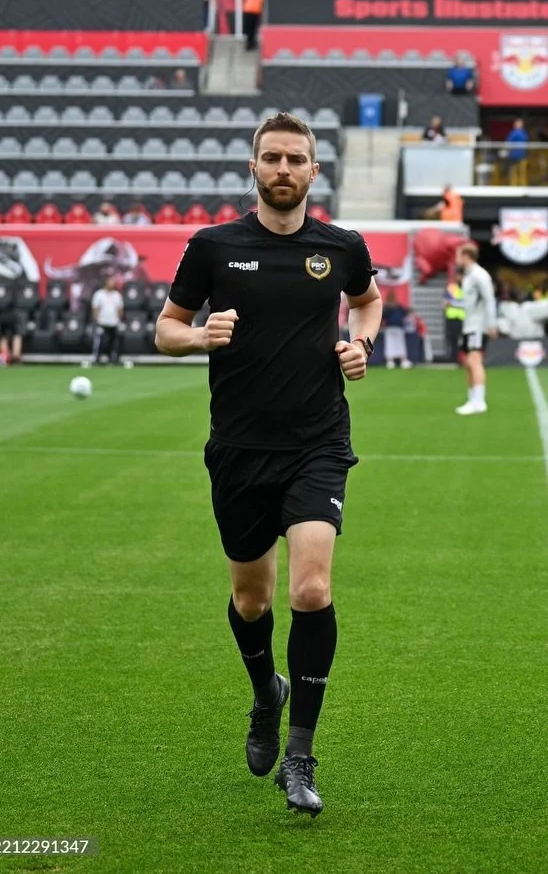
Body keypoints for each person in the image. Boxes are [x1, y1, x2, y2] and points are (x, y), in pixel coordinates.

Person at [153, 111, 383, 818]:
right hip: (239, 449)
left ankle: (301, 754)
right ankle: (265, 693)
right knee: (251, 601)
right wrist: (199, 336)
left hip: (318, 443)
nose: (283, 169)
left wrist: (360, 342)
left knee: (310, 589)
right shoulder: (213, 246)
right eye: (272, 157)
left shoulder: (341, 246)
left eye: (296, 159)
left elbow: (368, 301)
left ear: (315, 171)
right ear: (253, 167)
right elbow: (165, 329)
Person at [454, 242, 497, 414]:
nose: (457, 259)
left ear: (466, 256)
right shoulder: (469, 276)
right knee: (468, 363)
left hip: (478, 326)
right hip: (469, 325)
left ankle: (479, 402)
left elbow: (489, 299)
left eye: (459, 255)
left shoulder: (480, 275)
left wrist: (491, 323)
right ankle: (472, 399)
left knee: (474, 360)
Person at [91, 275, 124, 365]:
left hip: (114, 322)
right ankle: (97, 359)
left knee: (114, 342)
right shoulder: (99, 294)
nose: (112, 284)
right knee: (100, 341)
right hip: (102, 322)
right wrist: (97, 320)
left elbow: (120, 309)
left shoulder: (117, 295)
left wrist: (119, 320)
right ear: (106, 282)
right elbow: (95, 308)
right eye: (110, 281)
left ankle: (113, 359)